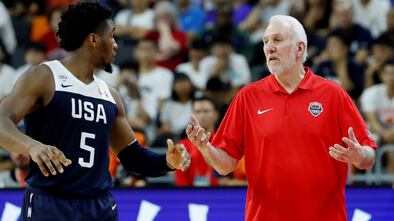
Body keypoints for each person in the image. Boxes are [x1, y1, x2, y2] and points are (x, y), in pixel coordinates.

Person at [0, 2, 190, 221]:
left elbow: (132, 157)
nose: (116, 44)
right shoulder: (45, 76)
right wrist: (31, 145)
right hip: (51, 203)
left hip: (98, 206)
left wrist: (166, 162)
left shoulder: (110, 96)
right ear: (93, 39)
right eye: (112, 36)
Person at [186, 15, 377, 220]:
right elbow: (225, 166)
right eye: (266, 41)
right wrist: (206, 148)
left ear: (300, 48)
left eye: (277, 40)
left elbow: (369, 157)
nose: (269, 47)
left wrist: (360, 156)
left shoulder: (333, 94)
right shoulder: (248, 96)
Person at [175, 96, 219, 187]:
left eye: (206, 111)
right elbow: (180, 181)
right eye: (198, 112)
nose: (202, 115)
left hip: (221, 195)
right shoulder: (182, 145)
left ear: (216, 114)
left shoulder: (225, 142)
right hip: (189, 196)